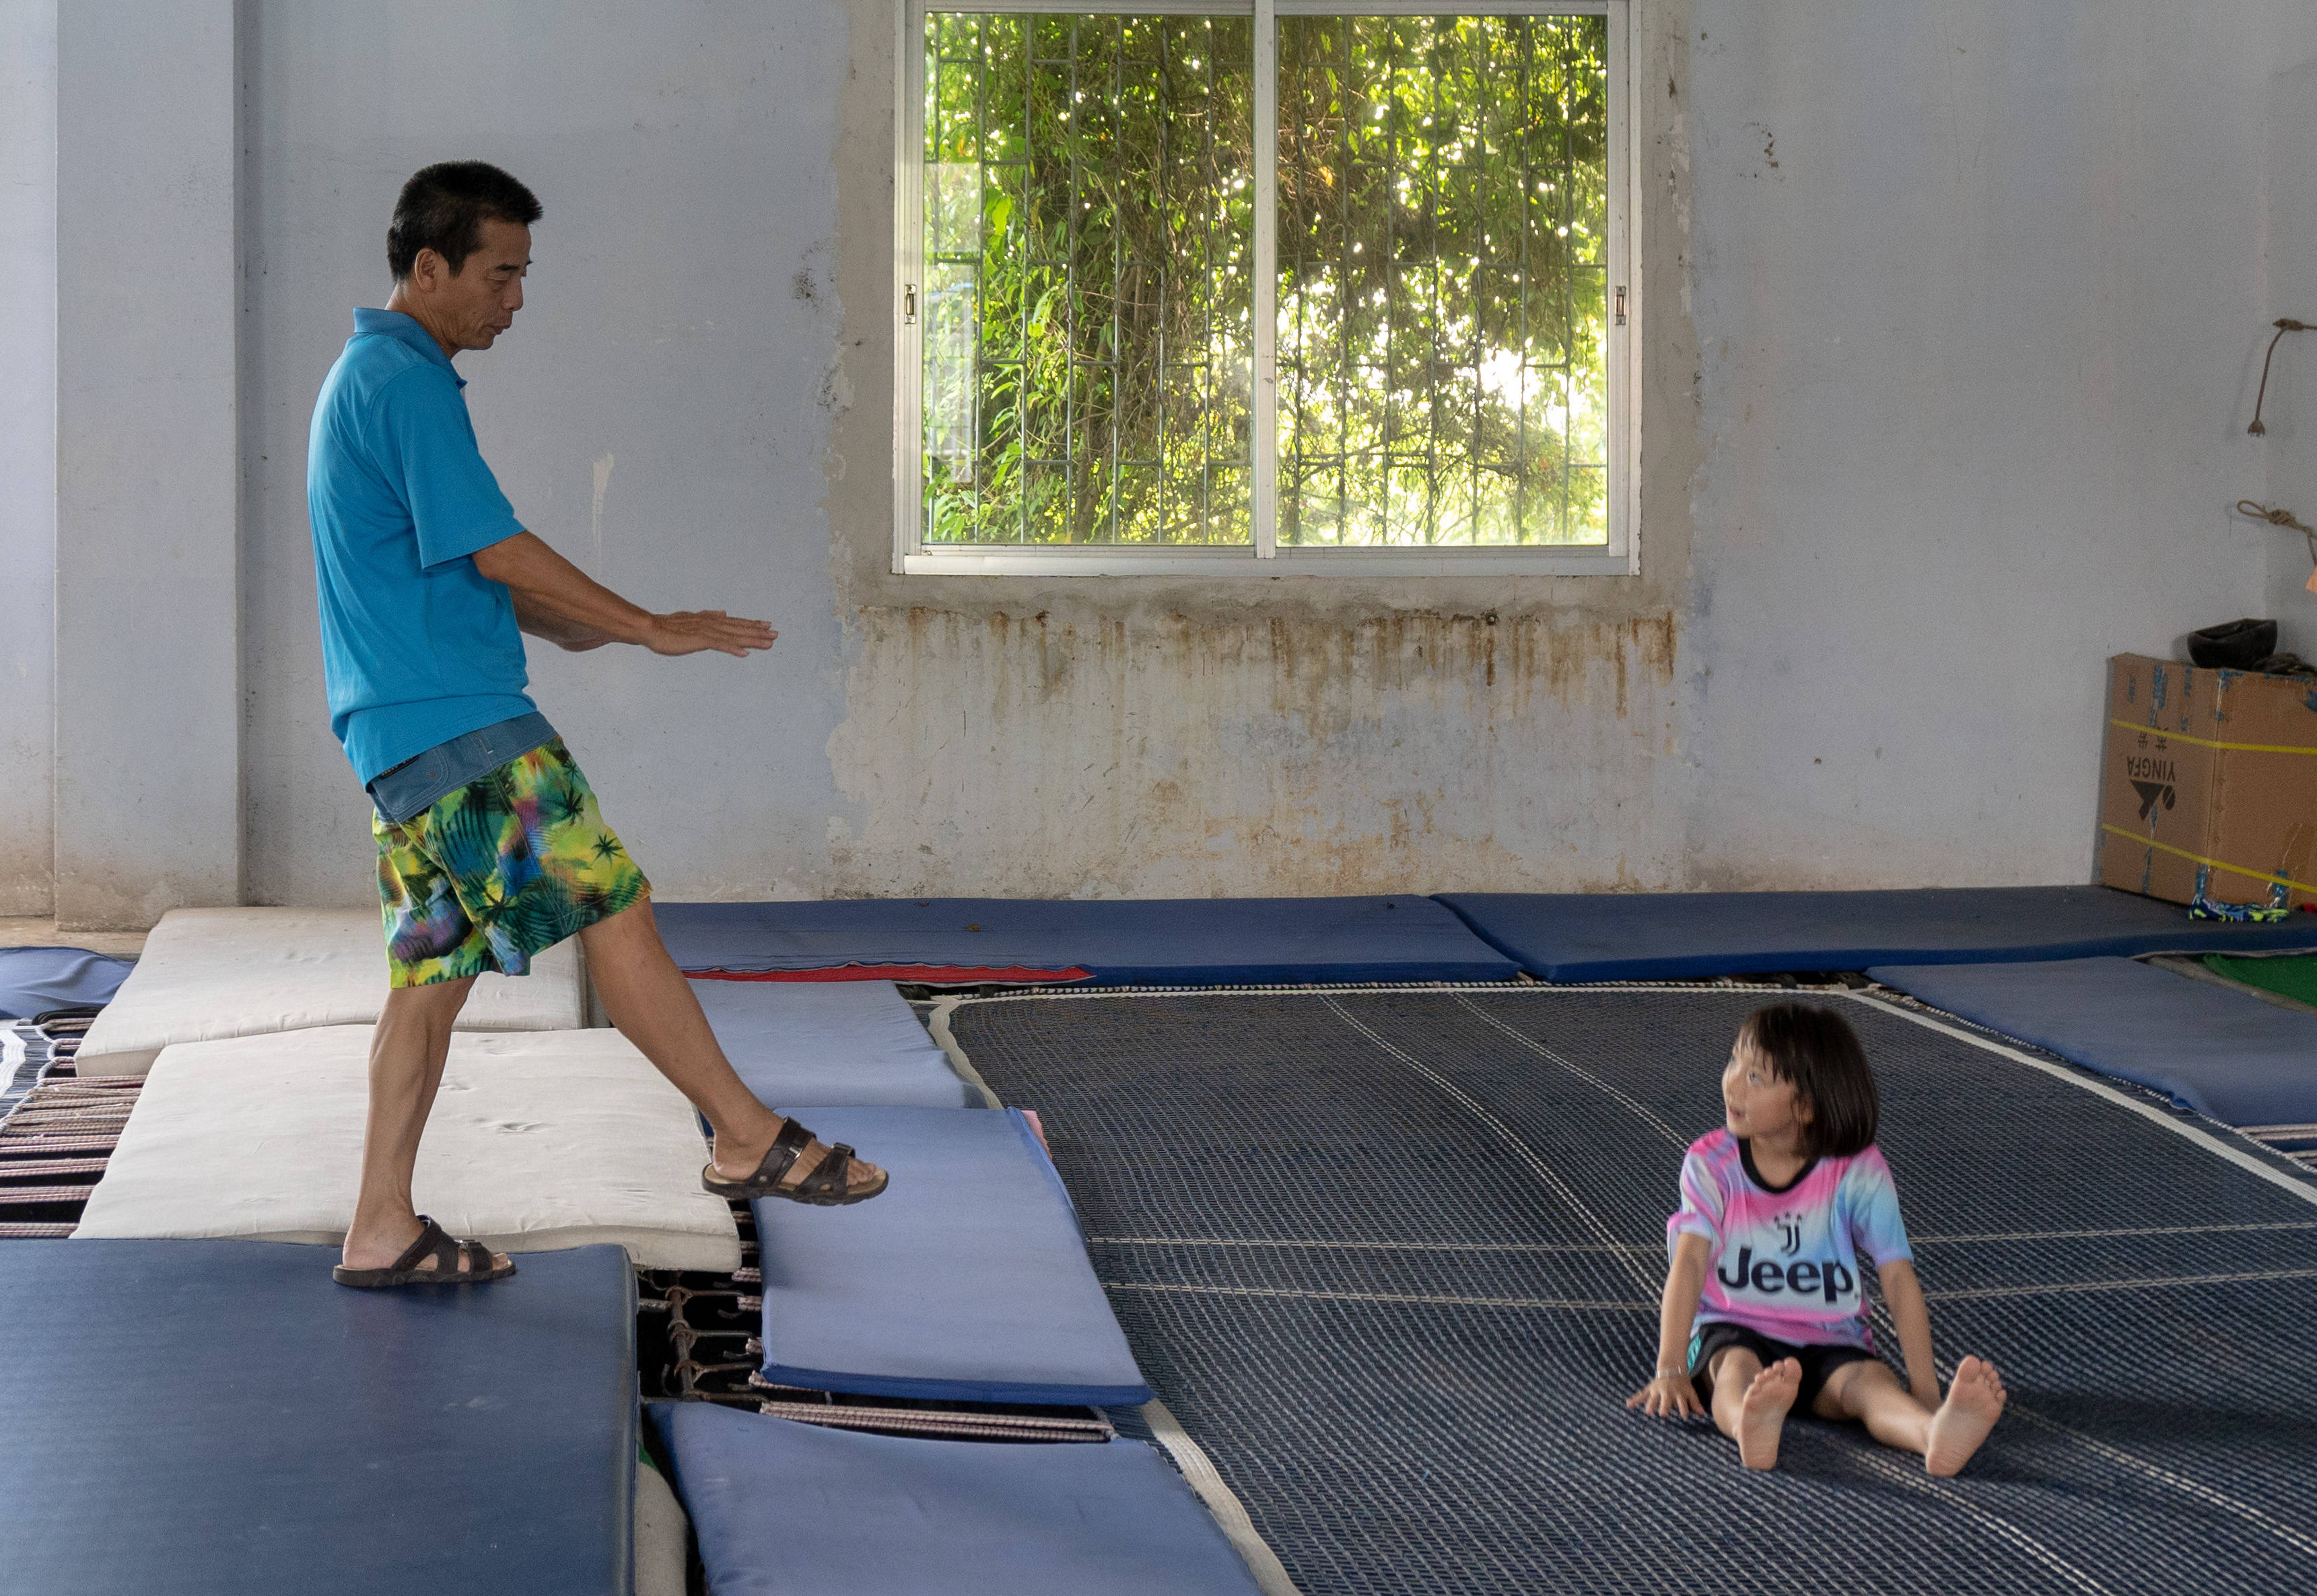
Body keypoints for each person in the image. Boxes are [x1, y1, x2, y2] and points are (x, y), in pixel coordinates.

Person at [308, 160, 885, 1289]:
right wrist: (647, 622)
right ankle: (742, 1134)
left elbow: (460, 565)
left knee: (428, 983)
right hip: (463, 730)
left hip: (398, 738)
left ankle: (380, 1223)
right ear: (427, 270)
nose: (514, 301)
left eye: (522, 276)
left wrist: (597, 631)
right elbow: (496, 545)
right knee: (612, 906)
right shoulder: (407, 383)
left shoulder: (367, 377)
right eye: (499, 275)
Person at [1624, 1002, 2005, 1474]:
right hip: (1733, 1326)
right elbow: (1689, 1263)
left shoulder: (1857, 1168)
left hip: (1830, 1339)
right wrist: (1670, 1367)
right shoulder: (1712, 1162)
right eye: (1733, 1062)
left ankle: (1931, 1434)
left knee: (1870, 1385)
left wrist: (1925, 1390)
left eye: (1756, 1077)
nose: (1731, 1081)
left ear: (1805, 1107)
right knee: (1734, 1370)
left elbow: (1898, 1275)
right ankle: (1748, 1422)